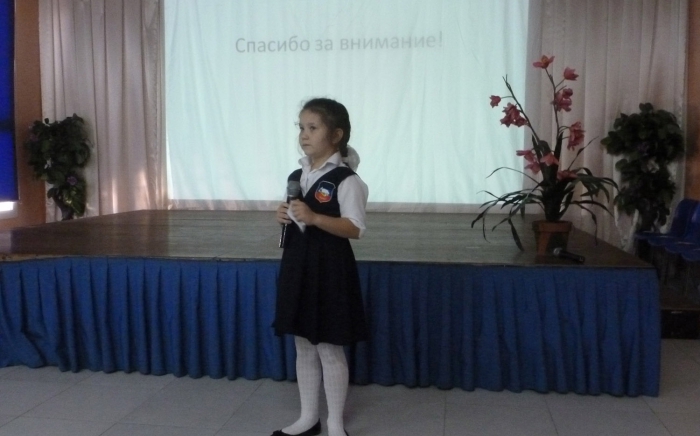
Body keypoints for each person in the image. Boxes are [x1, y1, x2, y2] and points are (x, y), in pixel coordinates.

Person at [272, 98, 369, 436]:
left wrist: (314, 218)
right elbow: (296, 216)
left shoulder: (347, 179)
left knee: (329, 347)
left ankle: (335, 423)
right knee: (303, 344)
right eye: (301, 127)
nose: (304, 135)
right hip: (297, 266)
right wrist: (283, 215)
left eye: (313, 128)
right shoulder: (296, 175)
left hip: (330, 271)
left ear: (336, 135)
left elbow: (355, 228)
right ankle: (308, 417)